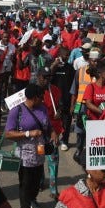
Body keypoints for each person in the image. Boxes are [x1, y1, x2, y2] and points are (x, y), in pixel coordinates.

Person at [4, 84, 57, 208]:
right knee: (25, 186)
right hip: (24, 156)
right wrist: (28, 133)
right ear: (33, 98)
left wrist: (53, 133)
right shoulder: (17, 111)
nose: (43, 100)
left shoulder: (42, 108)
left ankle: (32, 199)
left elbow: (48, 125)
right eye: (41, 97)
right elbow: (8, 133)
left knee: (36, 183)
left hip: (39, 154)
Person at [37, 67, 63, 199]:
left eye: (49, 76)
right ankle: (40, 182)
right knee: (40, 159)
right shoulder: (33, 92)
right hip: (39, 134)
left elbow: (60, 106)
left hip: (53, 132)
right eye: (44, 77)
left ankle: (53, 188)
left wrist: (59, 112)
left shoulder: (56, 90)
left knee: (53, 161)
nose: (47, 79)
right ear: (38, 77)